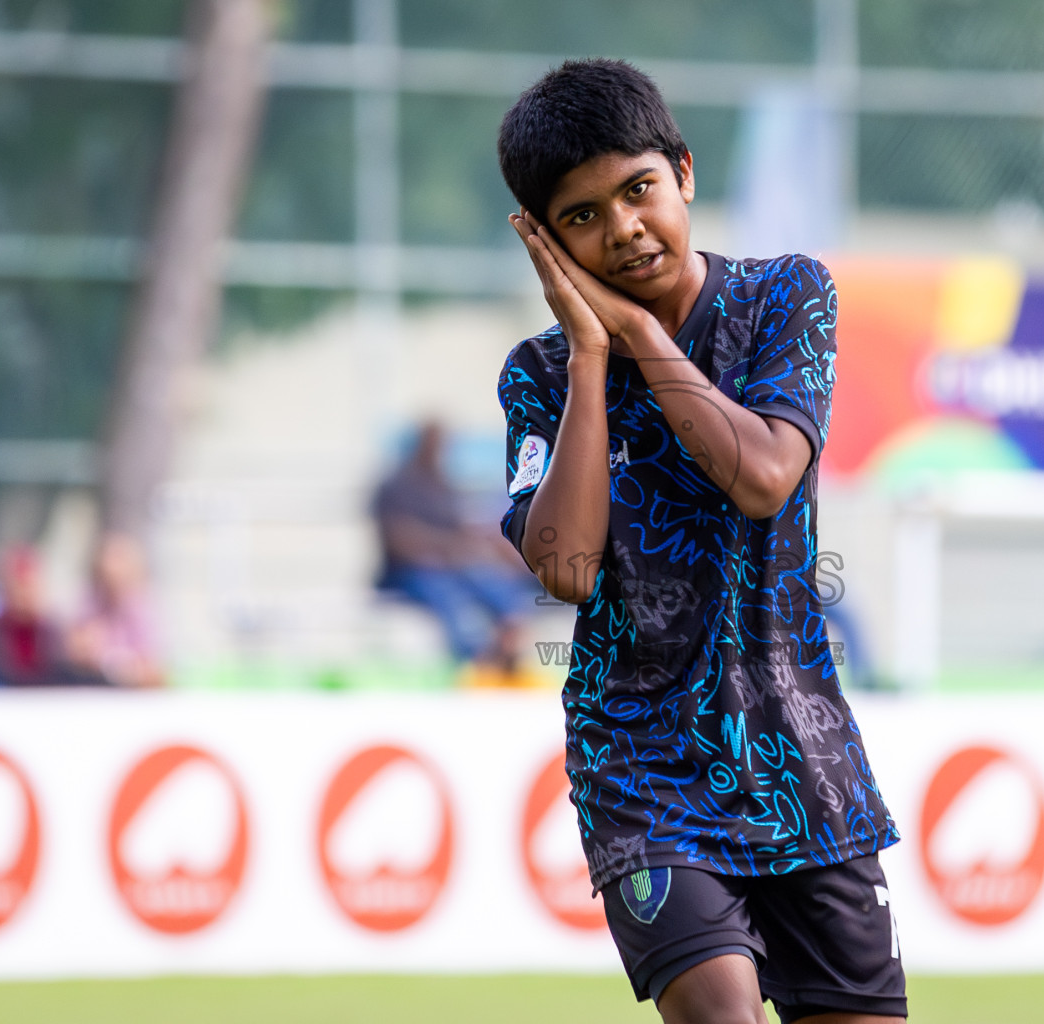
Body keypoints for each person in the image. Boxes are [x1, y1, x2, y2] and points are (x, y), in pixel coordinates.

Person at [496, 60, 905, 1024]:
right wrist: (595, 356)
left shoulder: (786, 297)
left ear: (683, 171)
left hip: (805, 759)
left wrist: (643, 336)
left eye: (637, 189)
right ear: (546, 242)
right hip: (643, 769)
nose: (624, 227)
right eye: (582, 216)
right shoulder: (538, 376)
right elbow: (563, 567)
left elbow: (765, 477)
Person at [372, 420, 536, 683]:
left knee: (493, 583)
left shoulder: (440, 483)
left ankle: (509, 642)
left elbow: (461, 528)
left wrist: (484, 542)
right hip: (409, 571)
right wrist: (445, 547)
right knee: (449, 598)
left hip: (451, 565)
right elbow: (399, 538)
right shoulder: (394, 486)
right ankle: (471, 665)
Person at [0, 544, 94, 687]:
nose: (26, 594)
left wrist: (82, 664)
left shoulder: (56, 635)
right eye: (20, 586)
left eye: (31, 585)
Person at [66, 532, 165, 688]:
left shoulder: (143, 609)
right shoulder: (89, 603)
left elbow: (155, 671)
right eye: (106, 577)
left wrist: (127, 669)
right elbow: (74, 653)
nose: (113, 582)